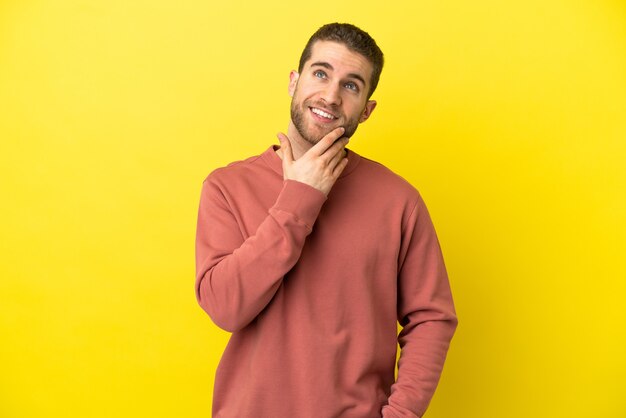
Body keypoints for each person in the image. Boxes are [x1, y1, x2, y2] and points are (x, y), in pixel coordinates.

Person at [195, 22, 457, 418]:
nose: (331, 96)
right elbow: (225, 308)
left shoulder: (399, 201)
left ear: (366, 110)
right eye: (320, 74)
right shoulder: (227, 186)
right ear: (293, 82)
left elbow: (433, 318)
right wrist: (300, 198)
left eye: (351, 85)